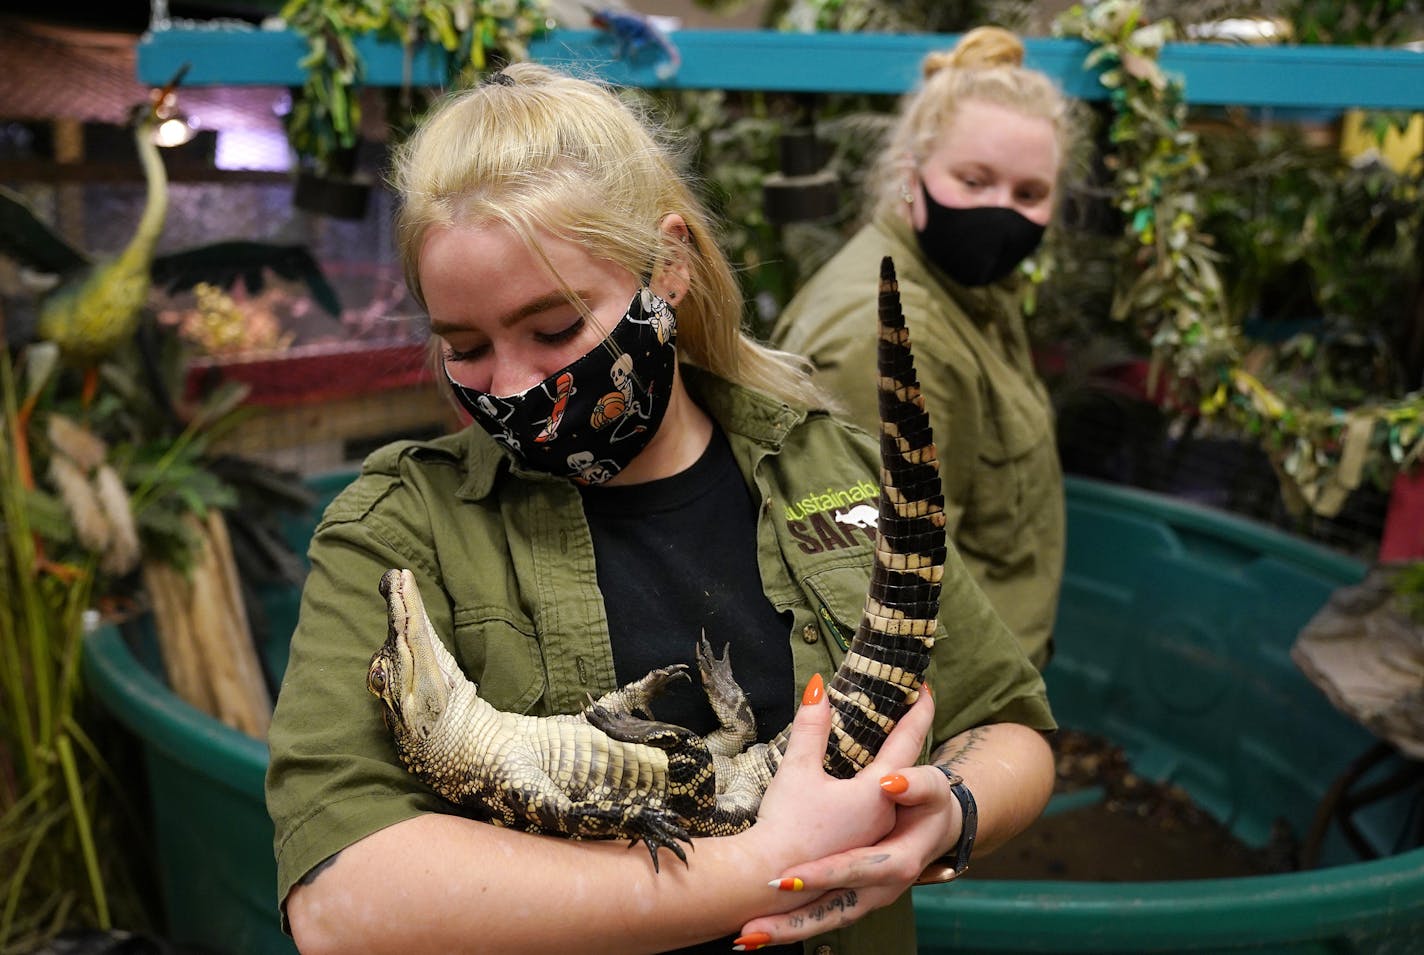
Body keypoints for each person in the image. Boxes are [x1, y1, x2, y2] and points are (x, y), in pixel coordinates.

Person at [265, 62, 1055, 955]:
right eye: (466, 345)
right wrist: (765, 862)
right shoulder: (398, 526)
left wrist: (947, 810)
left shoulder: (829, 462)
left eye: (557, 328)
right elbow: (340, 904)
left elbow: (1008, 721)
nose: (517, 383)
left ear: (668, 266)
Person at [770, 26, 1075, 670]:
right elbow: (880, 598)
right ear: (911, 175)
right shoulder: (895, 337)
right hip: (943, 720)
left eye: (1029, 194)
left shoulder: (971, 292)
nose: (1003, 212)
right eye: (974, 180)